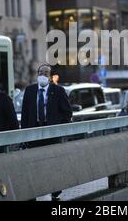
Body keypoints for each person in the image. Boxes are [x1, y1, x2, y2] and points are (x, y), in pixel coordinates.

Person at [21, 63, 73, 201]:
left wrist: (58, 128)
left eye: (45, 73)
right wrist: (24, 134)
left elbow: (67, 113)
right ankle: (35, 189)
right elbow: (25, 113)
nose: (42, 76)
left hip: (51, 133)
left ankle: (54, 190)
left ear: (50, 77)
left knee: (52, 162)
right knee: (34, 163)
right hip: (34, 132)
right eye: (40, 73)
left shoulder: (58, 91)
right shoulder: (30, 90)